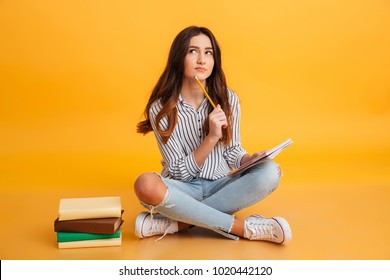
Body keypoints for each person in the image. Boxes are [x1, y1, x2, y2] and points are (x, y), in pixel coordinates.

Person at [133, 26, 292, 243]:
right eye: (193, 51)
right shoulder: (161, 109)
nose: (202, 59)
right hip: (183, 189)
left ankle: (178, 222)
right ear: (179, 57)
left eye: (208, 52)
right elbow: (179, 173)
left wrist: (249, 160)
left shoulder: (228, 99)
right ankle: (243, 228)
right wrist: (211, 138)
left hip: (222, 184)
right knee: (145, 184)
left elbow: (233, 151)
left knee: (271, 172)